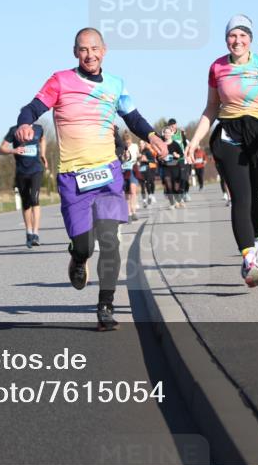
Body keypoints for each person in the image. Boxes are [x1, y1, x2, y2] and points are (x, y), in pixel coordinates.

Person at [11, 28, 168, 330]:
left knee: (110, 241)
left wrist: (152, 136)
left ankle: (105, 306)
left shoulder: (115, 84)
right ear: (75, 53)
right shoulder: (60, 81)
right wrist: (24, 124)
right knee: (85, 245)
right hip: (73, 178)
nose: (90, 54)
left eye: (94, 48)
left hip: (108, 174)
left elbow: (133, 117)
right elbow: (32, 107)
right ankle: (77, 258)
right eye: (83, 49)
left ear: (104, 50)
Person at [185, 15, 258, 288]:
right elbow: (211, 107)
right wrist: (195, 140)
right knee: (241, 199)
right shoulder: (217, 67)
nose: (238, 40)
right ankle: (249, 259)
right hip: (229, 137)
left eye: (243, 36)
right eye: (233, 36)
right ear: (226, 39)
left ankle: (256, 234)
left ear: (250, 39)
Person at [0, 122, 48, 247]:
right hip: (22, 172)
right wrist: (13, 150)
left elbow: (43, 139)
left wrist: (43, 154)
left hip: (36, 170)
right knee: (26, 203)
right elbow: (1, 149)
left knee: (34, 199)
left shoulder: (38, 129)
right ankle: (29, 233)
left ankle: (36, 234)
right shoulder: (14, 130)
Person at [159, 127, 185, 208]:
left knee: (176, 187)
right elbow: (157, 156)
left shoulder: (175, 144)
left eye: (168, 132)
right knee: (168, 185)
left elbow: (181, 154)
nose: (167, 134)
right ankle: (172, 203)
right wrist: (160, 158)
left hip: (175, 166)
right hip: (166, 167)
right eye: (165, 132)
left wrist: (177, 155)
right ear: (163, 134)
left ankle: (179, 200)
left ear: (171, 134)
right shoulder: (161, 145)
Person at [167, 119, 191, 201]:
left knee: (183, 176)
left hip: (181, 158)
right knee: (175, 178)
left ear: (176, 125)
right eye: (170, 125)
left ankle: (184, 192)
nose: (172, 126)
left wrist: (187, 155)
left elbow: (185, 144)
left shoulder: (181, 133)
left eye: (173, 125)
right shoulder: (168, 135)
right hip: (172, 159)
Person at [120, 131, 140, 221]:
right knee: (127, 194)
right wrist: (124, 157)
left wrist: (139, 157)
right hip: (124, 171)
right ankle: (128, 213)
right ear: (124, 141)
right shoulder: (121, 148)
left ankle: (134, 211)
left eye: (129, 141)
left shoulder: (135, 146)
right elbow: (121, 159)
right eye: (126, 142)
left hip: (133, 169)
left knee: (133, 191)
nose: (128, 143)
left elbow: (137, 155)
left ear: (131, 140)